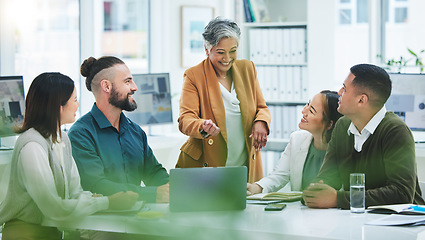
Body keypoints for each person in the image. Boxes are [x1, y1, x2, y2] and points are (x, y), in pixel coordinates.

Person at [0, 72, 137, 240]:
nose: (78, 105)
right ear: (58, 106)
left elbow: (74, 192)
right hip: (26, 234)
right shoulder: (32, 145)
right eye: (74, 100)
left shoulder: (62, 138)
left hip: (53, 232)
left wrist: (97, 200)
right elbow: (53, 208)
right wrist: (108, 202)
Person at [303, 63, 425, 209]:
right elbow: (328, 178)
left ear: (361, 100)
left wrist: (339, 199)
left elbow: (402, 193)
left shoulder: (396, 131)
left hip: (403, 223)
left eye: (345, 88)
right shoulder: (342, 126)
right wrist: (316, 192)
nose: (339, 92)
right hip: (357, 220)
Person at [176, 17, 271, 183]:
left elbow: (261, 107)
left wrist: (261, 122)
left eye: (233, 51)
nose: (227, 58)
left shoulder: (247, 68)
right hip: (207, 164)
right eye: (220, 52)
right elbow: (185, 120)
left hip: (243, 165)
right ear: (207, 49)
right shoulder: (194, 76)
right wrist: (202, 126)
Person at [68, 56, 169, 204]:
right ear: (106, 86)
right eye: (127, 81)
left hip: (136, 218)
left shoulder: (135, 131)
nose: (135, 87)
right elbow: (97, 185)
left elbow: (153, 172)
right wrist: (152, 194)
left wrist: (172, 187)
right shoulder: (81, 134)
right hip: (102, 223)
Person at [247, 90, 343, 195]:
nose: (303, 111)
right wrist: (256, 188)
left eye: (311, 111)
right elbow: (279, 175)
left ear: (329, 124)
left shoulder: (344, 148)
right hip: (300, 209)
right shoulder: (297, 139)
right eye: (307, 104)